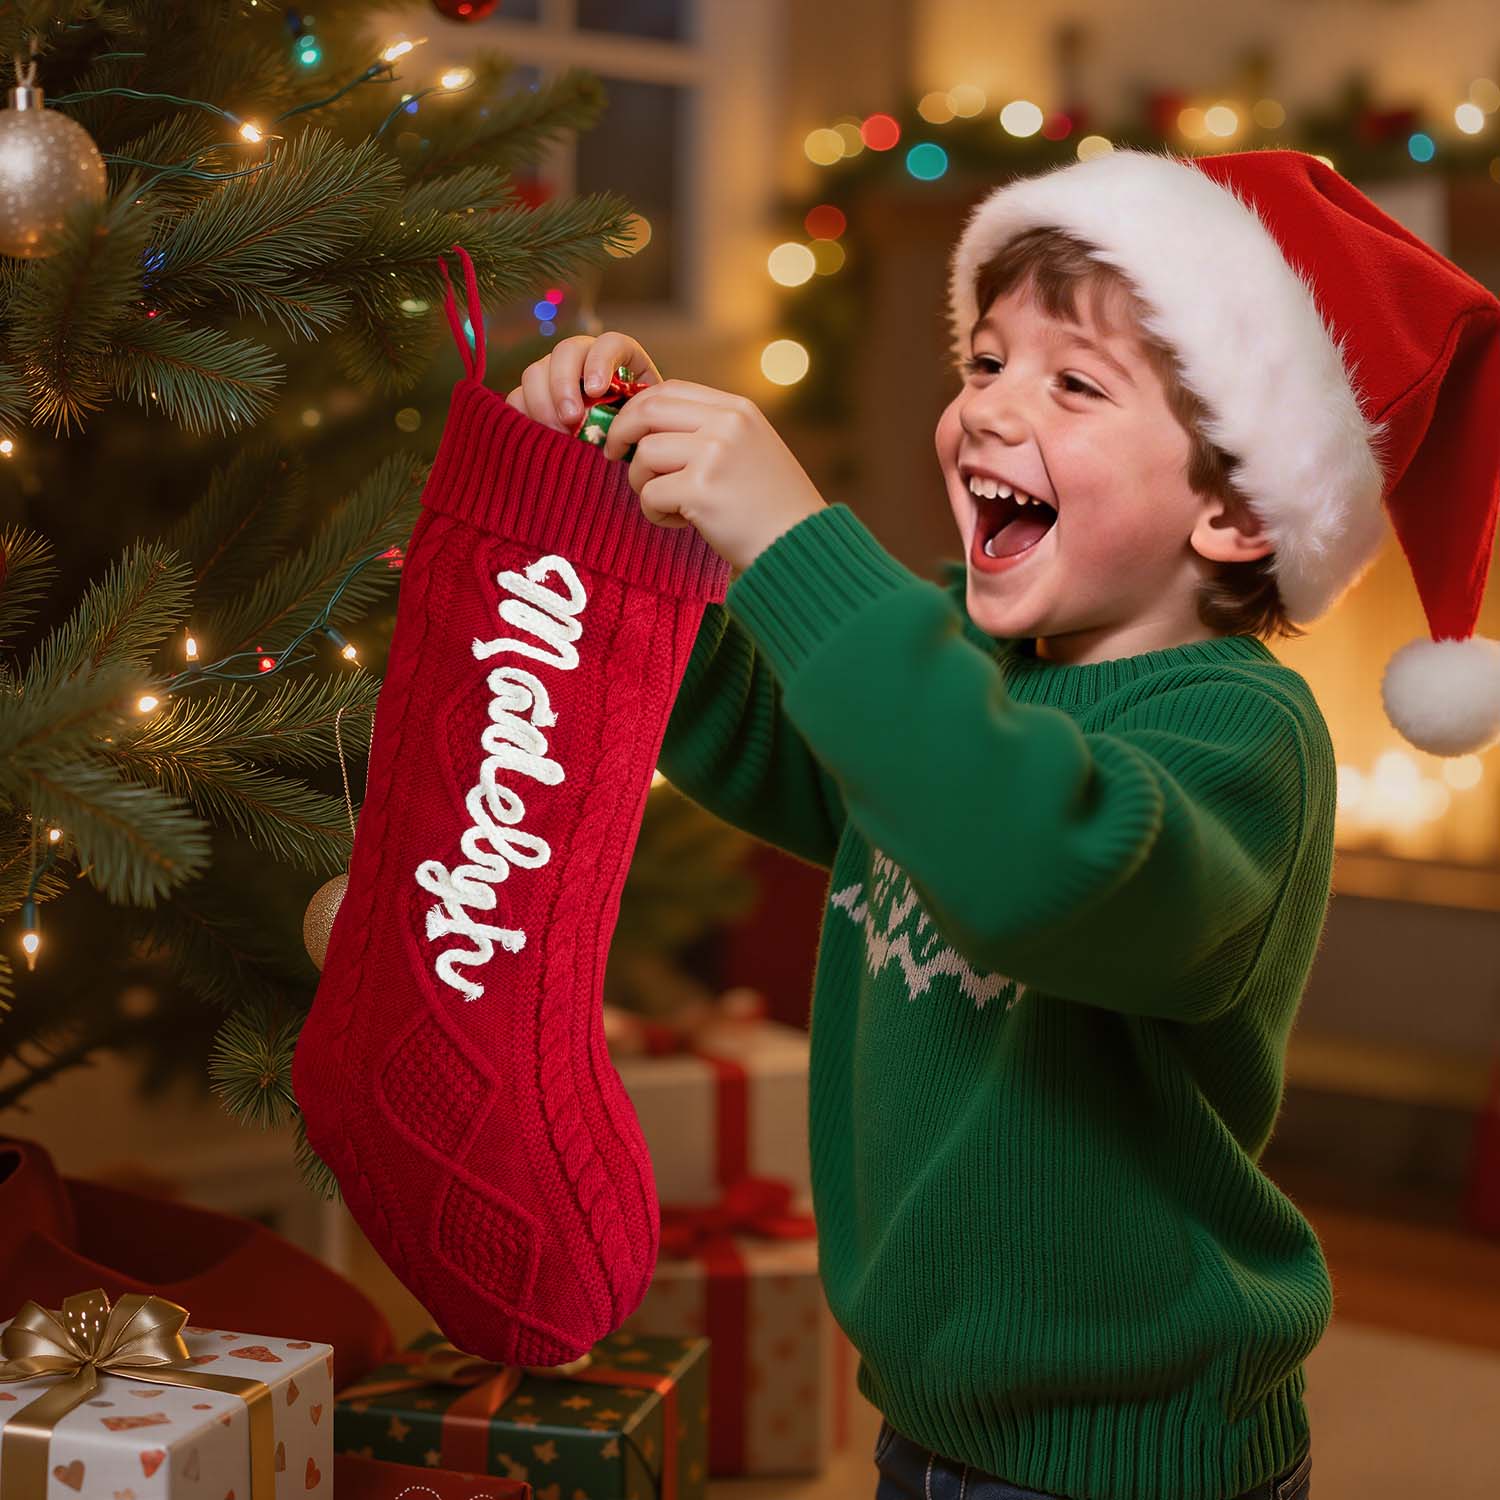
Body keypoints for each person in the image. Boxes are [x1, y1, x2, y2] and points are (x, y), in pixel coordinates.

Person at [503, 147, 1500, 1500]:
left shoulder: (1241, 735)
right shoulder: (952, 672)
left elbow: (1045, 861)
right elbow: (761, 726)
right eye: (983, 363)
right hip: (928, 1417)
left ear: (1234, 509)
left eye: (1072, 384)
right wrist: (619, 505)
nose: (985, 411)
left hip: (1141, 1455)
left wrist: (801, 546)